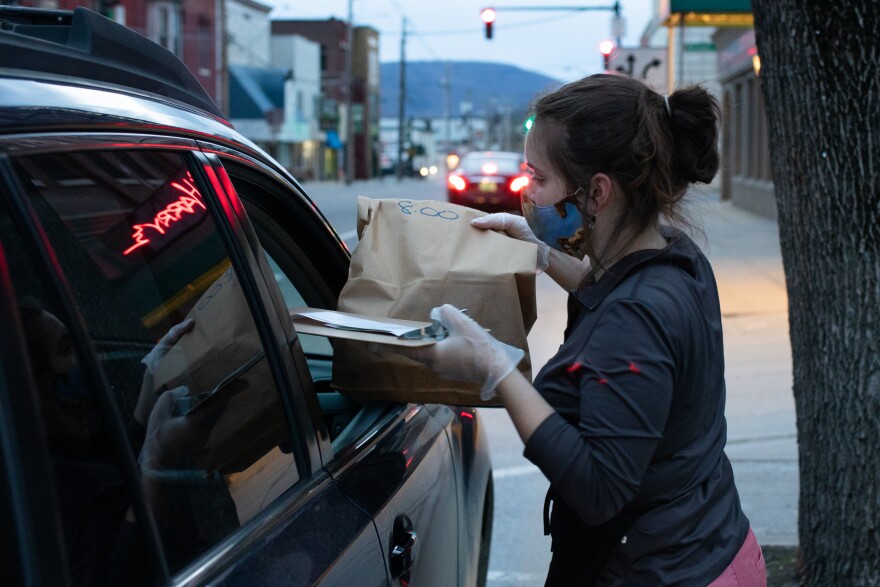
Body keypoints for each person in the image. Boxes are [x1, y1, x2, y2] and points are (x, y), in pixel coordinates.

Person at [399, 74, 766, 585]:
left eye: (538, 177)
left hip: (657, 571)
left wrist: (494, 369)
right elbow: (610, 289)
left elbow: (598, 490)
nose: (527, 193)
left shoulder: (637, 318)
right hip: (710, 545)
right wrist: (543, 251)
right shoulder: (674, 256)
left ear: (596, 192)